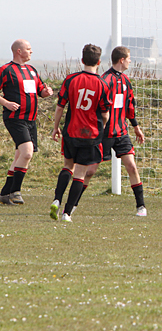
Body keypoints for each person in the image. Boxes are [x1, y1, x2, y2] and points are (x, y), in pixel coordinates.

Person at [51, 46, 147, 218]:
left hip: (121, 132)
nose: (131, 61)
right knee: (88, 172)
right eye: (129, 58)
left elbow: (129, 106)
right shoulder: (104, 80)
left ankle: (141, 206)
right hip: (101, 134)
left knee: (132, 167)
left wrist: (136, 127)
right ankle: (72, 206)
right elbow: (100, 110)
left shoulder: (126, 81)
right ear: (122, 60)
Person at [50, 44, 110, 222]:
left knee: (68, 166)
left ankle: (56, 200)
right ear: (99, 62)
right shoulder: (102, 85)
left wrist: (55, 127)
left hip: (71, 132)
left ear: (82, 60)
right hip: (89, 135)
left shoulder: (71, 80)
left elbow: (60, 107)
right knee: (80, 174)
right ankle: (67, 213)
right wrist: (102, 127)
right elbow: (105, 114)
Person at [0, 39, 53, 205]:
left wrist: (46, 92)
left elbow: (39, 91)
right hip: (15, 119)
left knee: (19, 156)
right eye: (28, 49)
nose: (31, 52)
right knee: (27, 152)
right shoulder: (6, 70)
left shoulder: (31, 70)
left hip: (31, 119)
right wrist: (6, 103)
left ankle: (4, 193)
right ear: (18, 51)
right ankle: (16, 191)